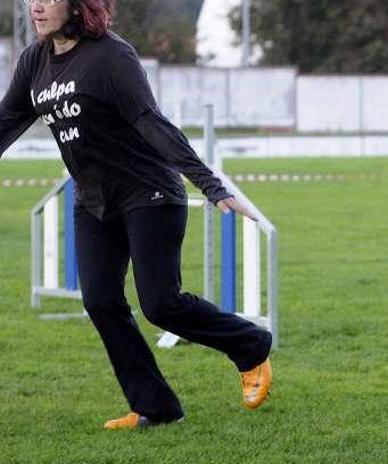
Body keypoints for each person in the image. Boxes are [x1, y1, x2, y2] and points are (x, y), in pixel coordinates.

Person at [0, 0, 273, 429]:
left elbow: (152, 123)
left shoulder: (111, 57)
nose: (36, 5)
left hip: (150, 192)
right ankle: (156, 407)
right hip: (93, 201)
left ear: (77, 5)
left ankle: (251, 345)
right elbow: (7, 119)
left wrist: (210, 183)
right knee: (100, 301)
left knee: (161, 304)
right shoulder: (34, 61)